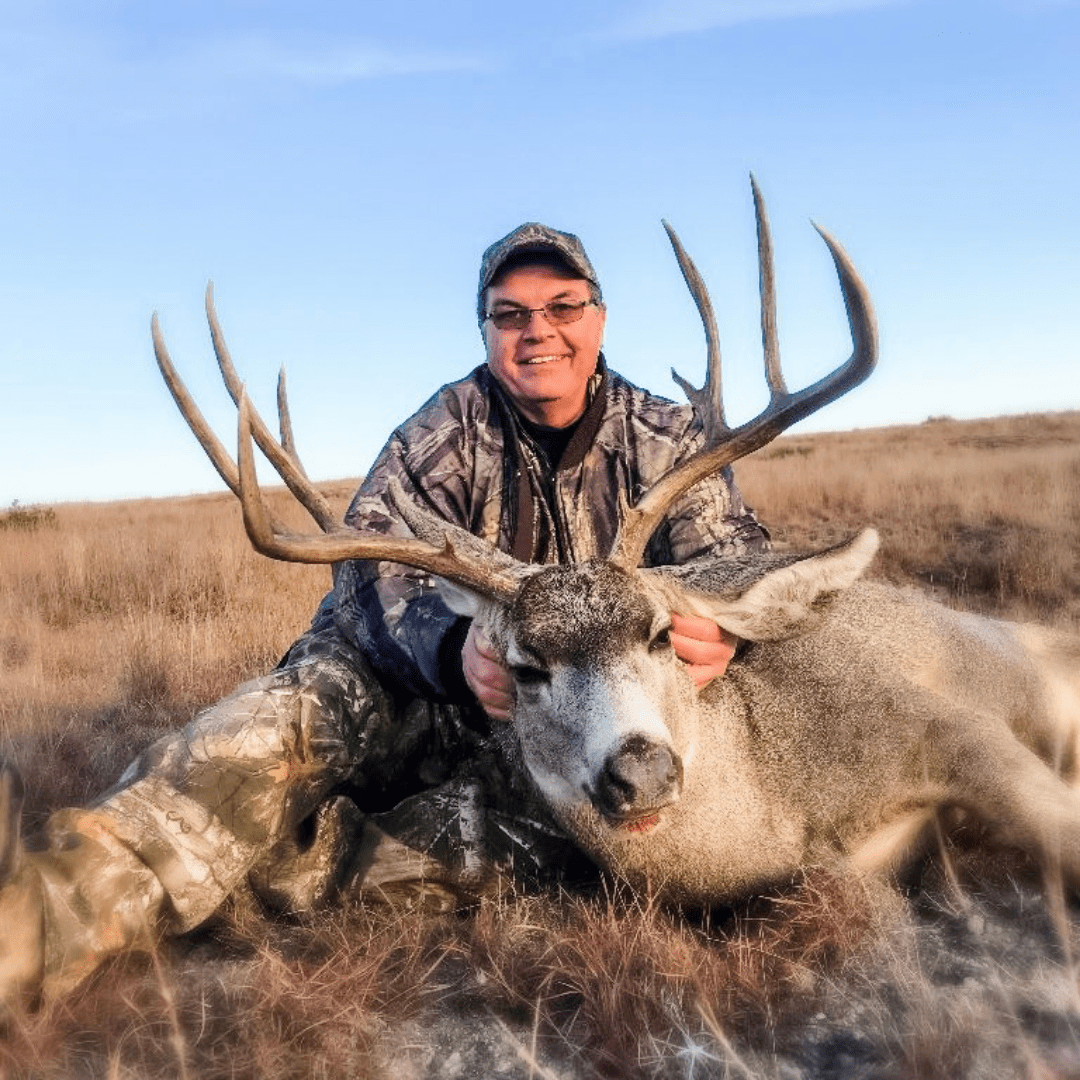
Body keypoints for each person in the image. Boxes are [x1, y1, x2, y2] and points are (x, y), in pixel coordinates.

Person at [0, 222, 768, 1010]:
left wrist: (722, 627)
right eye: (511, 315)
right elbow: (368, 571)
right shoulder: (441, 434)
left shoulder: (669, 436)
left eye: (563, 307)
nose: (539, 330)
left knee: (525, 854)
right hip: (407, 682)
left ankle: (258, 864)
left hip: (570, 729)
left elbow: (738, 555)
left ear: (599, 318)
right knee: (273, 737)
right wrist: (452, 649)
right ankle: (37, 922)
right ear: (488, 331)